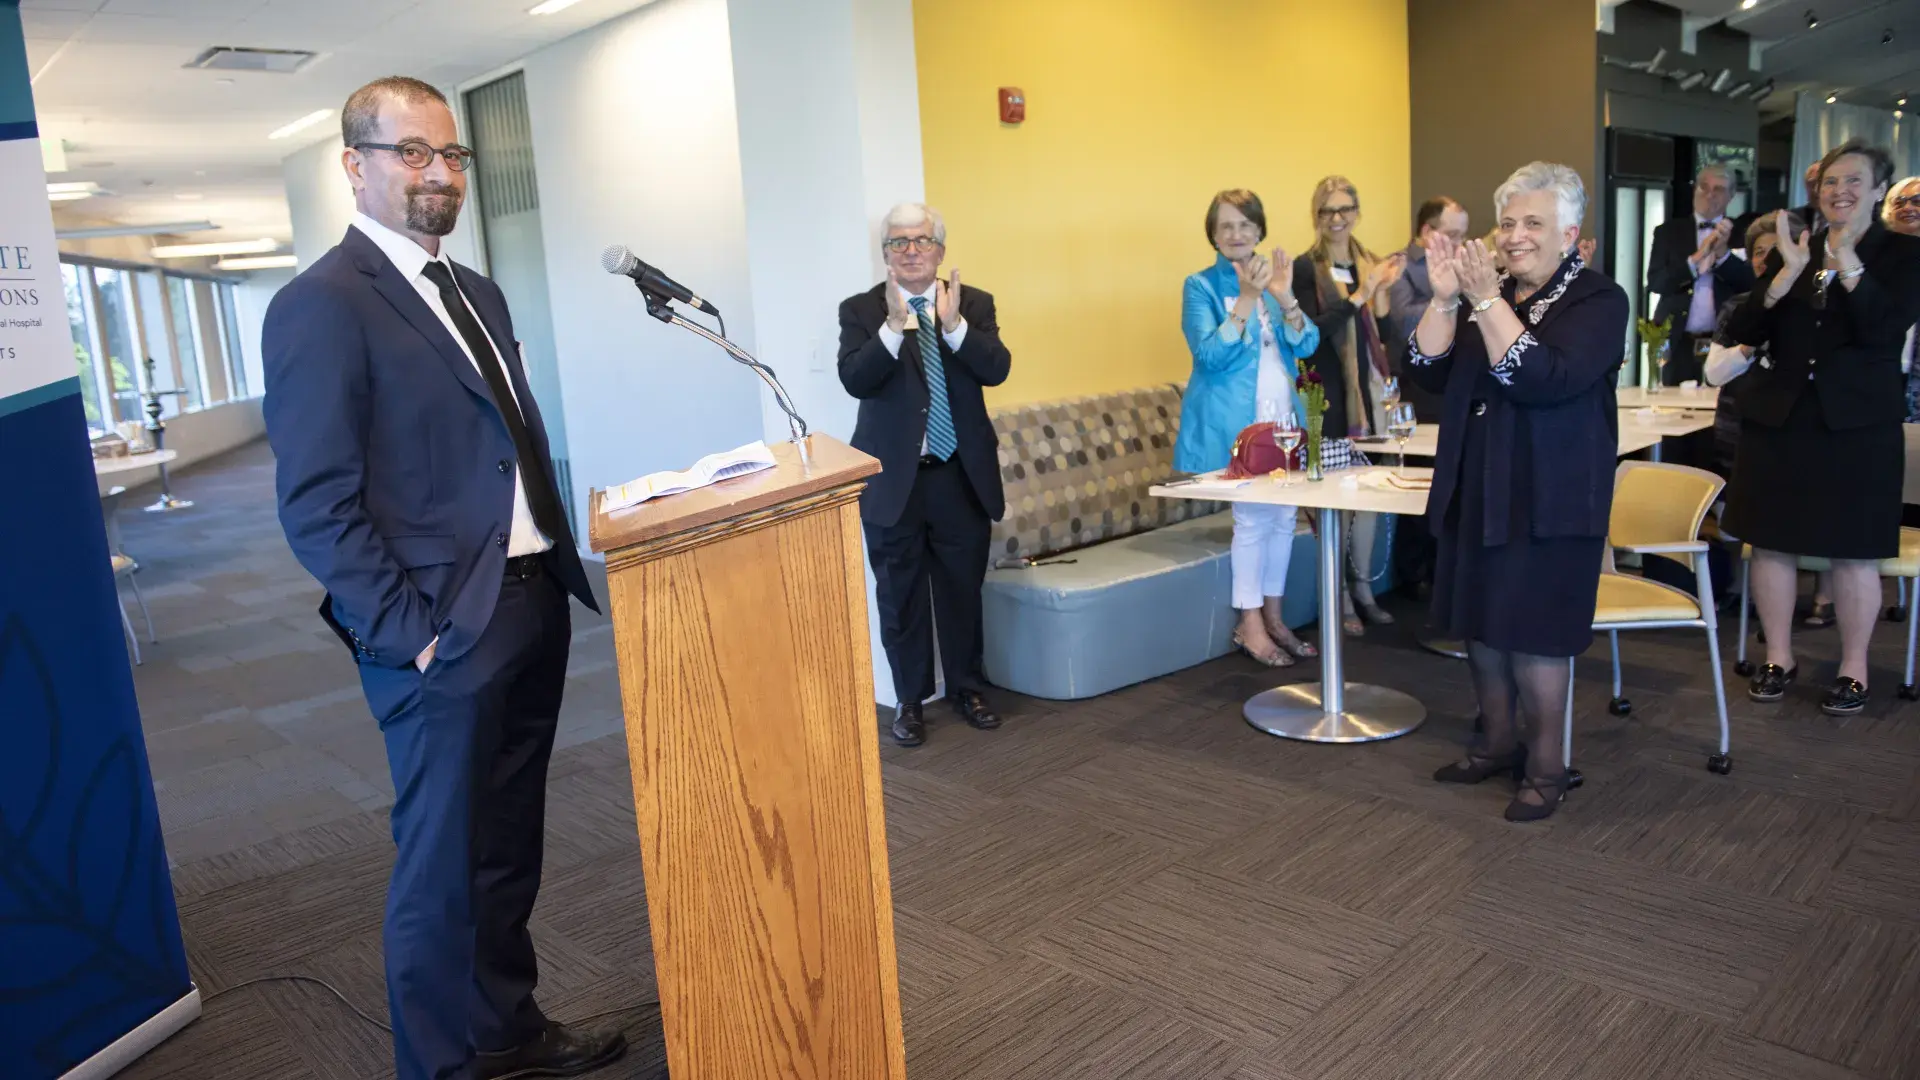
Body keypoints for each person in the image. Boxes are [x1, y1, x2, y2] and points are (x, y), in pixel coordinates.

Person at [261, 77, 625, 1080]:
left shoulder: (475, 292)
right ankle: (439, 1065)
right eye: (412, 152)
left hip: (531, 598)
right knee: (440, 871)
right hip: (441, 629)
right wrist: (409, 635)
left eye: (451, 154)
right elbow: (317, 503)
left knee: (506, 845)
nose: (439, 173)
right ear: (356, 166)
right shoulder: (321, 305)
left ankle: (505, 1031)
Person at [1408, 162, 1628, 822]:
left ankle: (1547, 769)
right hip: (1478, 484)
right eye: (1507, 222)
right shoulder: (1491, 290)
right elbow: (1426, 371)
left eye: (1534, 222)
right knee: (1482, 625)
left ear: (1570, 234)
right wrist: (1444, 298)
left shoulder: (1598, 300)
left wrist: (1482, 302)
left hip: (1550, 494)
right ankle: (1497, 743)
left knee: (1536, 634)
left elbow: (1538, 376)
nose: (1515, 235)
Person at [1724, 139, 1920, 715]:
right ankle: (1778, 657)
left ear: (1878, 189)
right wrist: (1783, 276)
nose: (1840, 191)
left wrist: (1849, 263)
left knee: (1855, 551)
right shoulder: (1797, 248)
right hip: (1780, 417)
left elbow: (1885, 329)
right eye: (1831, 182)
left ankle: (1854, 669)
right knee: (1771, 542)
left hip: (1859, 422)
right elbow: (1747, 328)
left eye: (1854, 180)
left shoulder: (1904, 253)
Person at [839, 203, 1012, 747]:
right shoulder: (862, 310)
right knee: (900, 596)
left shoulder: (972, 303)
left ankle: (967, 688)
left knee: (962, 592)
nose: (911, 250)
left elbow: (997, 368)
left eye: (921, 240)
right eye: (899, 242)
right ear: (885, 253)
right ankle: (910, 701)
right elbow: (856, 379)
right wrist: (893, 328)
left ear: (940, 250)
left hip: (959, 474)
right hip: (895, 481)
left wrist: (954, 326)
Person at [1174, 189, 1323, 667]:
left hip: (1283, 413)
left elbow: (1307, 343)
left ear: (1259, 229)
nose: (1236, 234)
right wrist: (1248, 299)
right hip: (1236, 422)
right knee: (1253, 521)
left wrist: (1284, 296)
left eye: (1244, 224)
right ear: (1213, 235)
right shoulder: (1200, 286)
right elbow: (1209, 356)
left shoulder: (1274, 279)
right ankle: (1250, 623)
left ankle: (1275, 617)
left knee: (1283, 517)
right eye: (1226, 226)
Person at [1292, 176, 1405, 634]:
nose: (1337, 218)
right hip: (1328, 395)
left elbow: (1386, 335)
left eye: (1344, 209)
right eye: (1327, 210)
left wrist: (1380, 293)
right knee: (1336, 502)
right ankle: (1337, 595)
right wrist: (1360, 296)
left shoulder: (1370, 264)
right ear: (1316, 216)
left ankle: (1363, 588)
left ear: (1357, 213)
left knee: (1370, 496)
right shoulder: (1305, 268)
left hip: (1369, 399)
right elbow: (1312, 333)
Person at [1646, 164, 1756, 386]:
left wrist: (1723, 256)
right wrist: (1694, 261)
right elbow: (1656, 282)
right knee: (1674, 402)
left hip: (1725, 344)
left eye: (1718, 189)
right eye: (1704, 187)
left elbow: (1751, 283)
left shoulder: (1743, 234)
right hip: (1678, 341)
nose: (1709, 194)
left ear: (1731, 195)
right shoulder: (1668, 232)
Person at [1386, 196, 1469, 422]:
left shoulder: (1461, 263)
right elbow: (1403, 322)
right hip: (1415, 383)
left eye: (1463, 236)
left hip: (1456, 379)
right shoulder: (1399, 266)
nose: (1459, 243)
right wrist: (1449, 299)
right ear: (1426, 231)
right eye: (1452, 235)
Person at [1885, 176, 1920, 419]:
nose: (1907, 207)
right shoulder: (1873, 257)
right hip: (1880, 371)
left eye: (1917, 201)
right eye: (1899, 202)